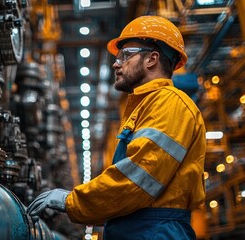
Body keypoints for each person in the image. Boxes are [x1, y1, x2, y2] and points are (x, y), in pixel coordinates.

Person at [26, 15, 206, 239]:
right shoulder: (147, 107)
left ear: (152, 59)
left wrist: (70, 200)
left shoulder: (170, 104)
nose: (116, 63)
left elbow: (136, 180)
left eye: (125, 55)